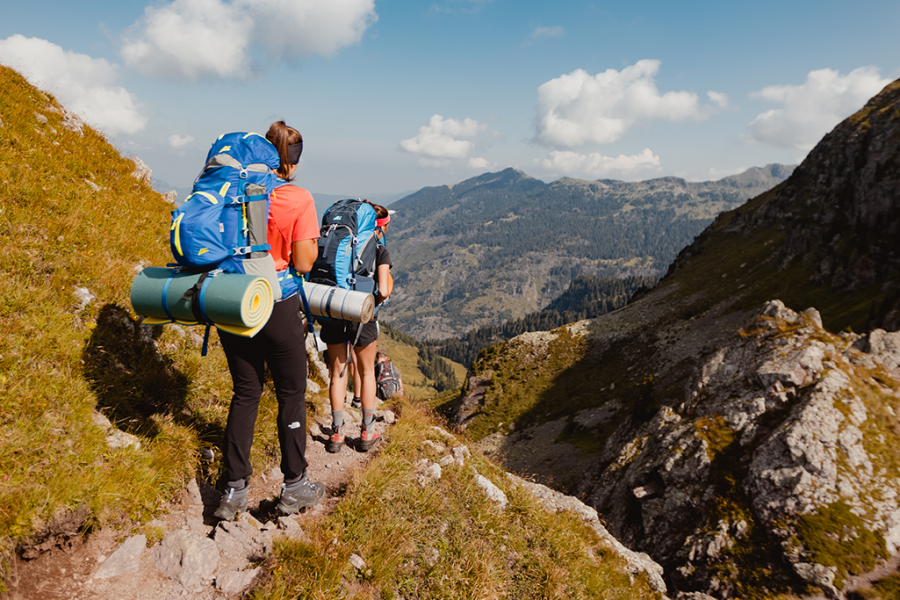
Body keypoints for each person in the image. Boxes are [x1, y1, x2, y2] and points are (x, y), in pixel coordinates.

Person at [214, 121, 325, 521]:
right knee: (291, 394)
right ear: (291, 162)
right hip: (275, 301)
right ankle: (295, 486)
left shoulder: (230, 190)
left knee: (246, 391)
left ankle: (232, 491)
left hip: (230, 299)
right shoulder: (297, 198)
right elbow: (304, 262)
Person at [320, 201, 393, 453]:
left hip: (332, 306)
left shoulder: (340, 239)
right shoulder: (379, 250)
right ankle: (367, 429)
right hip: (360, 314)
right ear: (379, 226)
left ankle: (337, 433)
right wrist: (375, 301)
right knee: (366, 372)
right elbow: (383, 290)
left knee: (337, 373)